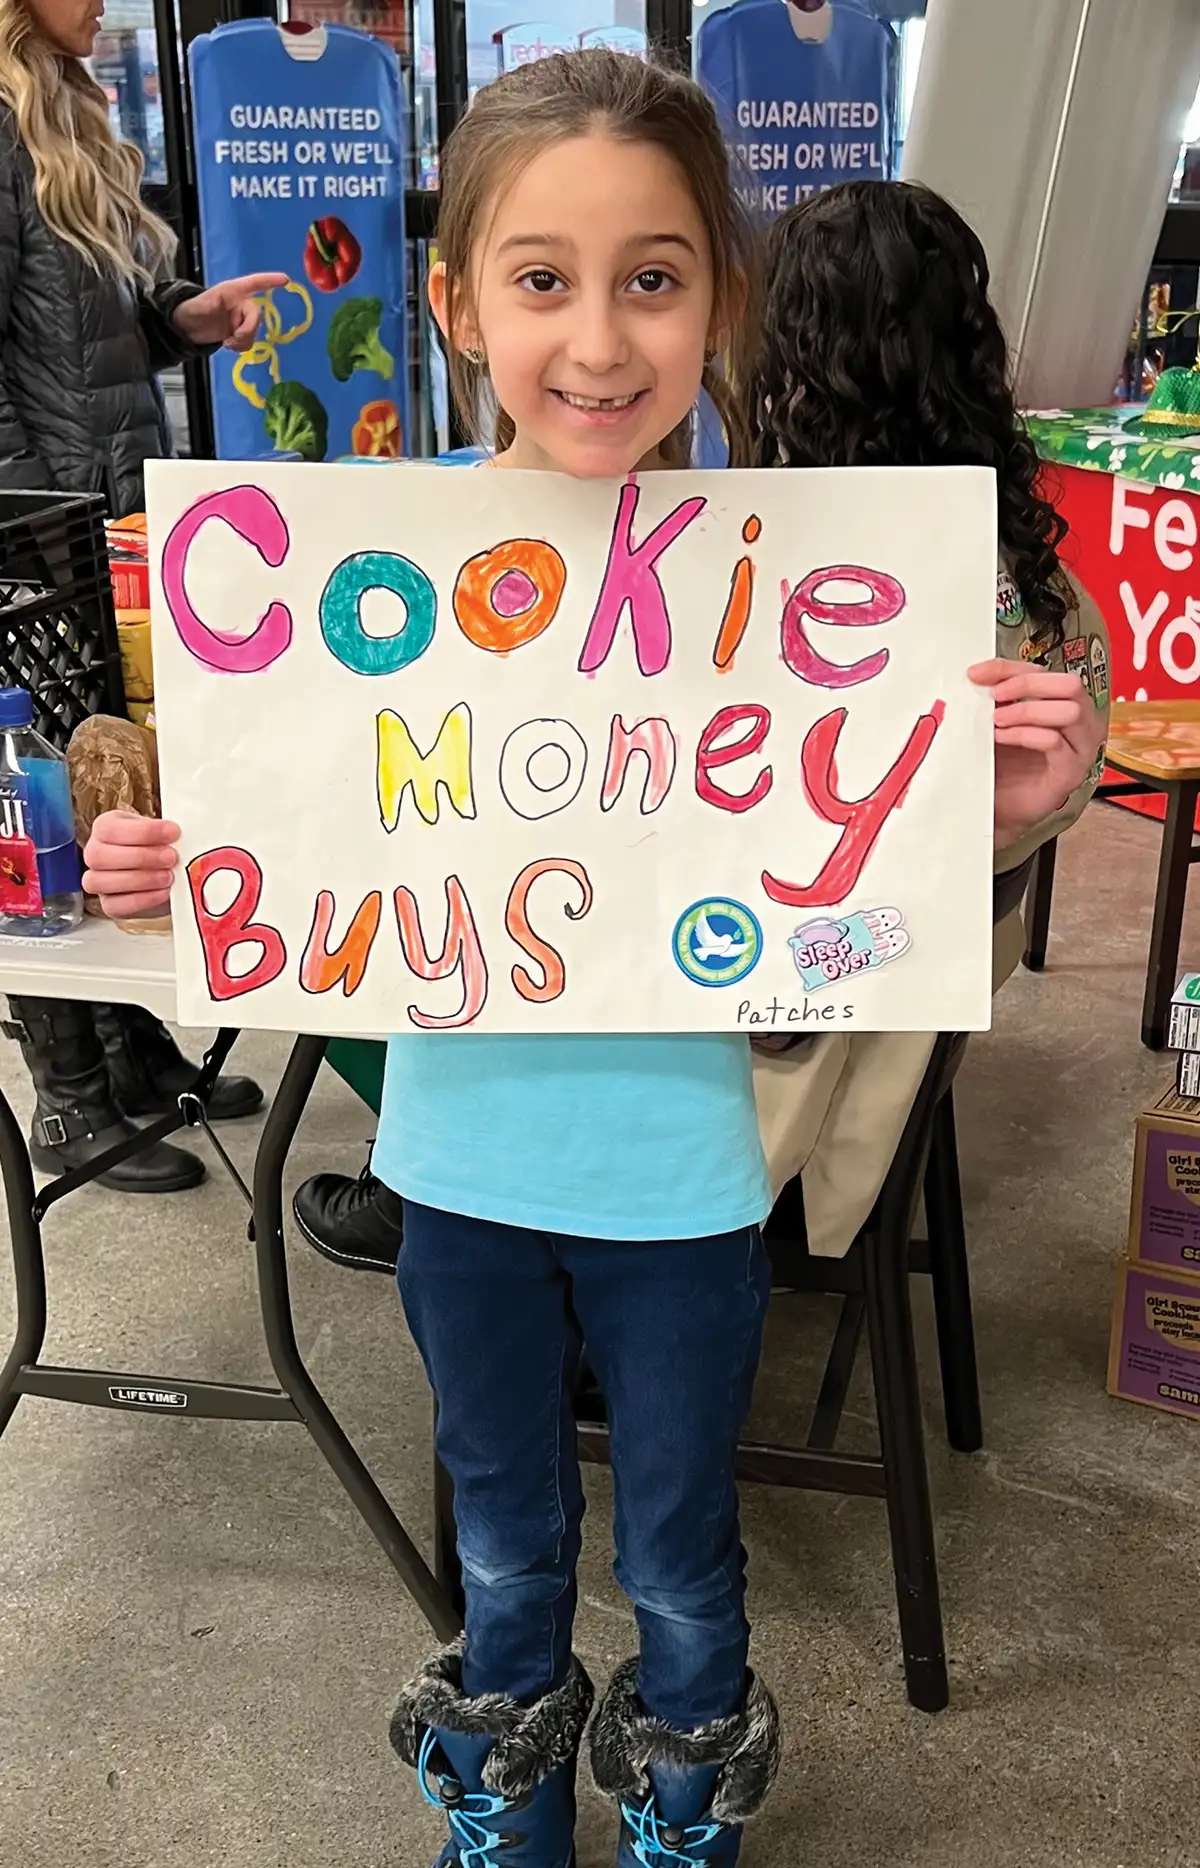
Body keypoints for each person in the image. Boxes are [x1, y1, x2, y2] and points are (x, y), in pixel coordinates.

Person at [80, 53, 1103, 1867]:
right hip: (461, 1174)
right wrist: (176, 867)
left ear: (721, 296)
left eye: (655, 275)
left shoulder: (800, 585)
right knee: (500, 1522)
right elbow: (308, 851)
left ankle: (685, 1804)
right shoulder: (363, 580)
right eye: (542, 278)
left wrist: (1011, 803)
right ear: (460, 299)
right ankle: (508, 1801)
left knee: (683, 1546)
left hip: (686, 1176)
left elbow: (854, 871)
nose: (601, 337)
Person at [749, 179, 1110, 1250]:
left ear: (786, 355)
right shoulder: (1030, 576)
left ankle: (491, 1224)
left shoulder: (762, 565)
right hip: (931, 978)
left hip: (816, 1003)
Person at [1, 0, 271, 1190]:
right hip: (31, 523)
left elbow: (71, 338)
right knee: (37, 791)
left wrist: (178, 322)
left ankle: (134, 1050)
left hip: (102, 502)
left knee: (113, 767)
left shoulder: (63, 110)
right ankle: (64, 1094)